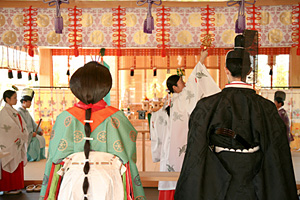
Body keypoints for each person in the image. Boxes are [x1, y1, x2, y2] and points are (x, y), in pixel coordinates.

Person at [174, 35, 298, 200]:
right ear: (249, 71)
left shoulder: (207, 105)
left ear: (226, 70)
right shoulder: (266, 107)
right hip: (255, 177)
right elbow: (277, 149)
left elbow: (196, 149)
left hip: (217, 177)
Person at [40, 61, 145, 200]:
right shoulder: (116, 117)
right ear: (105, 87)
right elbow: (128, 156)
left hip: (73, 179)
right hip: (108, 179)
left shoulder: (64, 118)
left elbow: (54, 158)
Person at [150, 50, 220, 200]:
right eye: (181, 82)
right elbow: (195, 81)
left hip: (168, 149)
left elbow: (156, 121)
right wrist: (201, 59)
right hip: (181, 146)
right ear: (175, 87)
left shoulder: (168, 103)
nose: (185, 83)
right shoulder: (181, 99)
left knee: (169, 176)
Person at [0, 89, 29, 195]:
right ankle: (8, 187)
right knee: (10, 161)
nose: (17, 100)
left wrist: (22, 134)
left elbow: (21, 125)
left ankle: (15, 186)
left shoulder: (13, 110)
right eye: (14, 98)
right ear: (7, 99)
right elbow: (7, 129)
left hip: (17, 141)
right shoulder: (4, 113)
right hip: (9, 142)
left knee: (17, 162)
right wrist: (19, 135)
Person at [17, 88, 46, 162]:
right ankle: (31, 157)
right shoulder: (19, 112)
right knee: (36, 140)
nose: (30, 104)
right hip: (26, 134)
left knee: (41, 138)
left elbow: (33, 123)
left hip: (31, 133)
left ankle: (40, 156)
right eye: (29, 102)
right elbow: (22, 126)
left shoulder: (26, 112)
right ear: (24, 102)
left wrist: (39, 131)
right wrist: (30, 133)